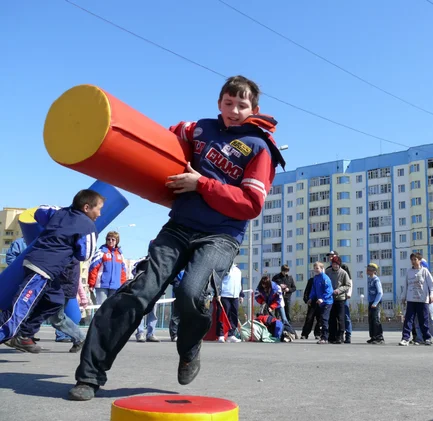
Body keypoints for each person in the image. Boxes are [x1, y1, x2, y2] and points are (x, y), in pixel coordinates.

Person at [69, 75, 285, 401]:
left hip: (220, 236)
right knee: (139, 291)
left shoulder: (259, 148)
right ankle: (89, 375)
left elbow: (251, 204)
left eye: (242, 105)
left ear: (254, 108)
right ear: (219, 104)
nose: (234, 110)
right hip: (179, 227)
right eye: (229, 103)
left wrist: (202, 184)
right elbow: (163, 140)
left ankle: (189, 347)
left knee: (191, 292)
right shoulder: (198, 128)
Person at [0, 191, 102, 353]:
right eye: (98, 209)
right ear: (87, 207)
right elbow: (85, 254)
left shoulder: (59, 212)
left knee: (54, 300)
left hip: (44, 266)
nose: (99, 214)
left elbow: (40, 211)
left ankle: (24, 335)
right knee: (21, 305)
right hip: (42, 268)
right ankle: (5, 333)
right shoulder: (88, 226)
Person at [399, 253, 433, 346]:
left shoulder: (425, 271)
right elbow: (405, 285)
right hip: (411, 299)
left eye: (415, 259)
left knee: (424, 320)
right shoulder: (408, 272)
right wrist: (403, 297)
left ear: (419, 260)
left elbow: (431, 285)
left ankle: (427, 338)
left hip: (422, 300)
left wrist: (432, 295)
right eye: (412, 259)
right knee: (408, 320)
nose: (413, 261)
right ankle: (405, 338)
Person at [87, 232, 127, 306]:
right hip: (102, 286)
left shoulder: (120, 255)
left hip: (116, 286)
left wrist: (123, 286)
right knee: (101, 308)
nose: (110, 241)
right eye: (108, 239)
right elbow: (93, 268)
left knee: (112, 309)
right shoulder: (101, 252)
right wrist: (91, 284)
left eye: (113, 239)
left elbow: (123, 272)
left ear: (117, 241)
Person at [326, 250, 352, 343]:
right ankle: (332, 336)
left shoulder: (343, 273)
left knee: (341, 318)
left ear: (339, 264)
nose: (335, 266)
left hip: (340, 299)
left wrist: (339, 290)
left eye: (337, 264)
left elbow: (348, 285)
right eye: (333, 264)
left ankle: (340, 336)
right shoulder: (327, 271)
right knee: (332, 318)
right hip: (330, 299)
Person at [216, 263, 243, 343]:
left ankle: (231, 335)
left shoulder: (238, 271)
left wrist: (241, 295)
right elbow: (218, 281)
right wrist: (218, 293)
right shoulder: (224, 268)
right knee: (223, 315)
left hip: (235, 296)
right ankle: (221, 334)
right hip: (224, 294)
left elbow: (239, 283)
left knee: (234, 315)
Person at [307, 262, 334, 344]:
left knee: (324, 319)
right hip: (320, 303)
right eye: (315, 268)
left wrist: (323, 299)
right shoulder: (315, 278)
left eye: (317, 268)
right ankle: (324, 336)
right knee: (321, 320)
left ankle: (325, 337)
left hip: (327, 302)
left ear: (322, 269)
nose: (316, 270)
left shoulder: (325, 278)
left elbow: (329, 291)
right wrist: (311, 298)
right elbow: (314, 289)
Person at [366, 263, 384, 344]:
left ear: (373, 271)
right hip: (371, 302)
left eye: (369, 269)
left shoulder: (376, 280)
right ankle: (373, 336)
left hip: (375, 303)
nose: (367, 270)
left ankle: (379, 337)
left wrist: (375, 303)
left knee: (376, 319)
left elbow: (380, 292)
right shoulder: (369, 279)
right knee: (371, 319)